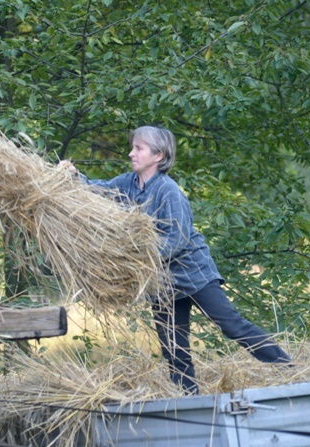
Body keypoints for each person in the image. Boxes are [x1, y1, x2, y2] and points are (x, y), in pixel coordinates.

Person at [60, 126, 291, 394]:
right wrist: (75, 178)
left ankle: (287, 367)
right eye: (133, 147)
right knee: (173, 345)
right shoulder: (128, 183)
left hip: (194, 275)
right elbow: (100, 191)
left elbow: (176, 240)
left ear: (158, 155)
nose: (131, 153)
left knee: (231, 325)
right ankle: (188, 397)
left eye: (139, 148)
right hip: (162, 282)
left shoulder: (168, 191)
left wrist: (136, 263)